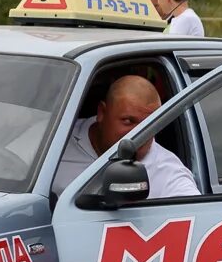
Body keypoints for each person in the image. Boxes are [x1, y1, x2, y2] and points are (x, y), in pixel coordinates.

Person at [53, 75, 200, 198]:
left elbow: (195, 219)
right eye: (128, 121)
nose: (138, 135)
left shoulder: (168, 172)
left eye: (149, 125)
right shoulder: (55, 142)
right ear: (102, 113)